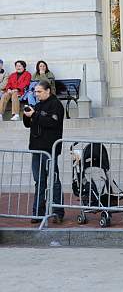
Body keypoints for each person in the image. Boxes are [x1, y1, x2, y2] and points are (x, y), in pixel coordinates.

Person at [23, 80, 65, 224]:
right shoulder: (38, 104)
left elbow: (52, 123)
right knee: (39, 181)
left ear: (48, 91)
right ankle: (38, 212)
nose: (37, 94)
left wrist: (35, 115)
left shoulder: (56, 105)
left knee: (54, 181)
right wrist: (27, 115)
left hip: (49, 149)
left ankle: (58, 212)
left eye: (39, 91)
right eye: (35, 92)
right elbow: (29, 124)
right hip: (36, 148)